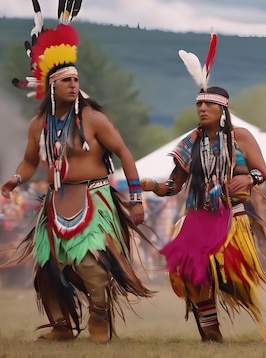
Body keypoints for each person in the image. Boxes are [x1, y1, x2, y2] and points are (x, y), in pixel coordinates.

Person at [1, 1, 153, 343]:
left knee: (90, 262)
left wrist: (137, 200)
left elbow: (125, 153)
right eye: (67, 80)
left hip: (94, 196)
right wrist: (16, 178)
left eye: (76, 79)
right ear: (51, 86)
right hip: (54, 202)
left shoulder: (94, 119)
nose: (74, 84)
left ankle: (99, 311)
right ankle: (61, 326)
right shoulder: (38, 124)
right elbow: (29, 161)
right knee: (45, 268)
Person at [140, 33, 266, 342]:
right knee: (191, 269)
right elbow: (173, 185)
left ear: (222, 110)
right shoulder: (189, 142)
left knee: (227, 270)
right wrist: (150, 185)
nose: (202, 109)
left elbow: (263, 172)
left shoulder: (240, 137)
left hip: (233, 214)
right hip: (199, 216)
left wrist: (250, 179)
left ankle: (220, 310)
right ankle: (210, 330)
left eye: (208, 105)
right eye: (199, 105)